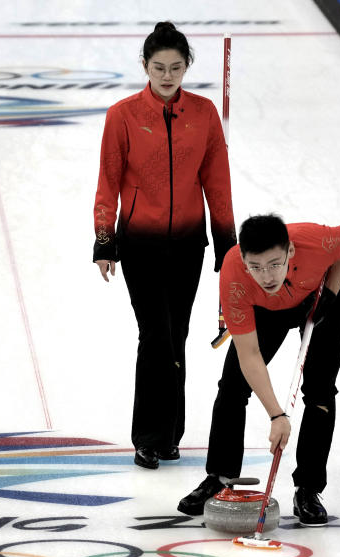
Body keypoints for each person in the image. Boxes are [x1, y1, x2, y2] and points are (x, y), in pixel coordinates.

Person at [92, 21, 236, 470]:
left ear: (187, 66)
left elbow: (217, 180)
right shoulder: (124, 115)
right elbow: (109, 179)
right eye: (159, 67)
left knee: (177, 336)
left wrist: (227, 242)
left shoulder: (205, 113)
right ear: (145, 66)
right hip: (140, 243)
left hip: (189, 243)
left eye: (176, 67)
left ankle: (170, 434)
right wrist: (103, 240)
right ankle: (148, 437)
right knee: (154, 335)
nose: (168, 75)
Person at [177, 214, 340, 525]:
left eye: (275, 263)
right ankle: (220, 478)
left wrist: (330, 292)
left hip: (318, 298)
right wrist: (277, 415)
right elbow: (250, 355)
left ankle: (308, 488)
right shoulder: (235, 273)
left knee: (319, 392)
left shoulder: (318, 241)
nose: (267, 275)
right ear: (245, 260)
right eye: (257, 267)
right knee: (232, 387)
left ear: (290, 251)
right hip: (265, 310)